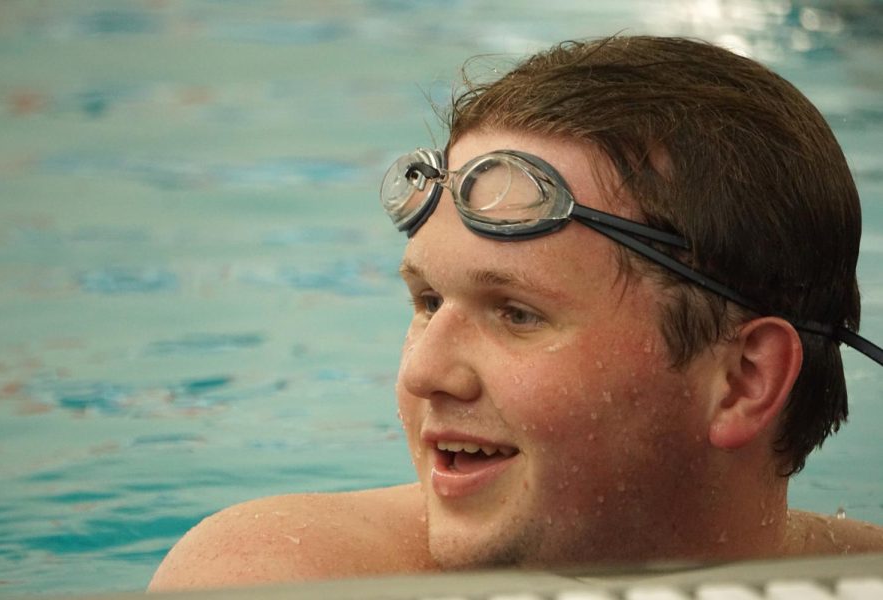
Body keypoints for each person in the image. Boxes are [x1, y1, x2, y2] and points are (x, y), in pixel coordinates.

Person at [148, 35, 883, 591]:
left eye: (516, 314)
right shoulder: (286, 575)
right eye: (427, 301)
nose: (424, 372)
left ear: (743, 380)